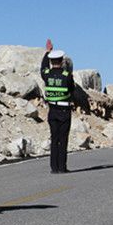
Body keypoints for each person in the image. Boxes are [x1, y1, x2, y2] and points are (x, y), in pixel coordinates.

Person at [41, 39, 75, 173]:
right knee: (63, 139)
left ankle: (54, 168)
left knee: (54, 139)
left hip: (52, 111)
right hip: (64, 111)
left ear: (51, 62)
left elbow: (42, 67)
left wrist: (47, 52)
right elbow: (72, 90)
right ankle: (62, 167)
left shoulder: (47, 74)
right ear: (61, 61)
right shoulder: (67, 76)